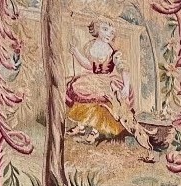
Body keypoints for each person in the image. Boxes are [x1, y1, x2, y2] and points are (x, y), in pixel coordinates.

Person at [65, 19, 153, 149]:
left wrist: (126, 86)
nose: (108, 34)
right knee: (79, 89)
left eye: (112, 32)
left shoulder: (114, 52)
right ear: (96, 29)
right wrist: (76, 52)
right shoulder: (90, 46)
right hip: (92, 78)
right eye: (105, 29)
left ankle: (95, 131)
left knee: (103, 101)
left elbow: (123, 68)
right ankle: (82, 126)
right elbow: (89, 65)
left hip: (108, 80)